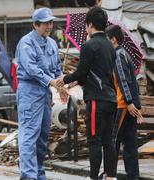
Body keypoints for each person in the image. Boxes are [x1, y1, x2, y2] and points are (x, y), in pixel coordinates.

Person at [57, 6, 117, 180]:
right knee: (108, 142)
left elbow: (81, 73)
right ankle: (111, 177)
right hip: (110, 99)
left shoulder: (89, 45)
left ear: (90, 24)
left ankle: (92, 177)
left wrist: (65, 79)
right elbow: (94, 74)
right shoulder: (110, 46)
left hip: (96, 100)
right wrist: (77, 80)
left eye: (86, 25)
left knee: (94, 141)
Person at [15, 8, 68, 180]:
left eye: (51, 22)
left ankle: (38, 173)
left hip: (45, 93)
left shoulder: (52, 43)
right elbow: (31, 68)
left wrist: (61, 87)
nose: (49, 26)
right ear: (35, 25)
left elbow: (56, 69)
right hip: (29, 91)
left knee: (42, 135)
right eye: (46, 23)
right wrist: (52, 82)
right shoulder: (26, 43)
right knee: (30, 134)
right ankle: (29, 176)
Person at [105, 25, 143, 180]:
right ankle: (132, 176)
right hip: (129, 105)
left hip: (122, 105)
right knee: (130, 143)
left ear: (113, 39)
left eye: (107, 39)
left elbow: (123, 80)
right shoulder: (123, 54)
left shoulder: (118, 55)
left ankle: (110, 174)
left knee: (113, 141)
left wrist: (128, 101)